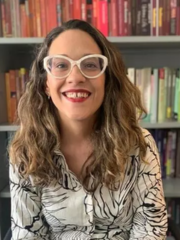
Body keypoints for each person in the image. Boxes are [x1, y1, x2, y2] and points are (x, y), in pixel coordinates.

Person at [9, 19, 167, 240]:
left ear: (106, 79)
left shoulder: (139, 143)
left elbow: (151, 228)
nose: (76, 77)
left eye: (90, 64)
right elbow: (27, 234)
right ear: (46, 84)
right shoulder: (25, 151)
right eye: (61, 65)